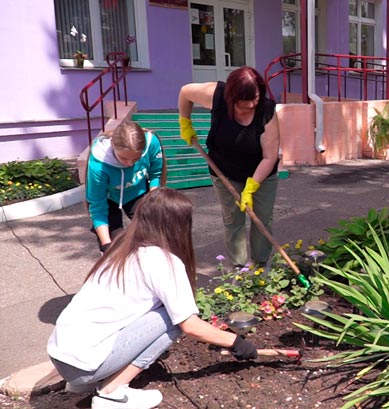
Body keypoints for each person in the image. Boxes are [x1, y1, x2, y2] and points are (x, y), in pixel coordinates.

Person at [48, 188, 258, 409]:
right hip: (84, 367)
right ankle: (112, 392)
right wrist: (236, 342)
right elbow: (189, 324)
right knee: (172, 318)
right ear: (177, 225)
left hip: (62, 356)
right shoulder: (163, 261)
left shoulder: (120, 249)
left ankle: (89, 381)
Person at [177, 66, 280, 268]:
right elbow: (185, 92)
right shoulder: (216, 96)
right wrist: (184, 121)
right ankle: (238, 268)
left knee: (262, 219)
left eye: (255, 99)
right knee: (233, 220)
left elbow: (269, 157)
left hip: (262, 173)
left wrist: (252, 187)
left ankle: (259, 266)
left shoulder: (267, 111)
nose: (251, 105)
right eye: (244, 103)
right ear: (231, 97)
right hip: (223, 170)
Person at [86, 121, 164, 254]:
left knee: (154, 238)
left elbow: (156, 174)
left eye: (136, 159)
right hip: (108, 199)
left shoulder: (152, 143)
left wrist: (153, 204)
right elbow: (98, 206)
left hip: (137, 192)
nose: (129, 164)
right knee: (116, 248)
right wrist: (106, 245)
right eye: (123, 158)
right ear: (112, 146)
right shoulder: (98, 165)